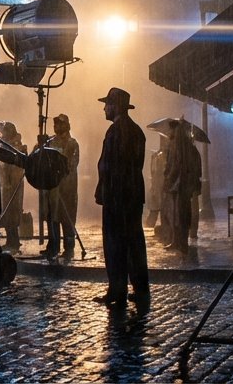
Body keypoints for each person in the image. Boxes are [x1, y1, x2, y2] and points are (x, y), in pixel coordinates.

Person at [93, 87, 150, 308]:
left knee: (115, 244)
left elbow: (109, 167)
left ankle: (117, 289)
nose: (104, 108)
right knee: (135, 243)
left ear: (115, 107)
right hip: (133, 194)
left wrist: (104, 190)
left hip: (117, 196)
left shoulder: (116, 132)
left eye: (107, 104)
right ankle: (140, 288)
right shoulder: (136, 131)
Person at [40, 113, 80, 260]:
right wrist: (40, 144)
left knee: (67, 219)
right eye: (55, 124)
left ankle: (69, 248)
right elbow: (38, 158)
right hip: (52, 189)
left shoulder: (72, 144)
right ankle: (53, 246)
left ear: (67, 125)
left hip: (66, 188)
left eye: (60, 124)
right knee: (52, 217)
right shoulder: (50, 142)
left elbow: (72, 164)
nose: (57, 127)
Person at [165, 121, 203, 255]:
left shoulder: (186, 149)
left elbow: (181, 167)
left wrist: (170, 177)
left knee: (182, 215)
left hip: (183, 185)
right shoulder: (177, 147)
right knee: (176, 214)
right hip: (179, 186)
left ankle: (183, 243)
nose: (170, 133)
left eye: (172, 130)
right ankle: (178, 241)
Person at [0, 121, 27, 253]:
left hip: (14, 184)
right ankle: (10, 239)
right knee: (7, 213)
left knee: (14, 212)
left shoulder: (17, 147)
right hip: (6, 185)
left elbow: (17, 166)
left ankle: (14, 240)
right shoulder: (4, 144)